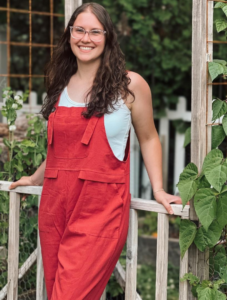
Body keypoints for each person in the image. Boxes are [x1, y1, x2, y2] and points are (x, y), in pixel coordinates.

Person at [9, 2, 182, 299]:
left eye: (94, 32)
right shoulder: (59, 83)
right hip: (54, 207)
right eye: (79, 30)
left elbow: (150, 138)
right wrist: (36, 178)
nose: (85, 38)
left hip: (99, 211)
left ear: (108, 37)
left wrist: (159, 189)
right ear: (69, 34)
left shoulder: (129, 86)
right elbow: (60, 148)